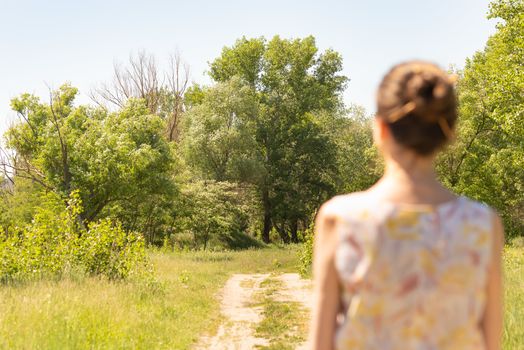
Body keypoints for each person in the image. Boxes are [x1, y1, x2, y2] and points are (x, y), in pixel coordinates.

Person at [308, 61, 503, 350]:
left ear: (381, 129)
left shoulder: (341, 218)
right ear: (448, 134)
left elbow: (320, 345)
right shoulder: (483, 224)